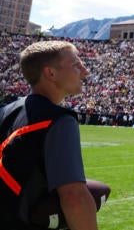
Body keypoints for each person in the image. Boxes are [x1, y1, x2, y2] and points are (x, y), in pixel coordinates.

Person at [0, 40, 98, 230]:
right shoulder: (59, 120)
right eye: (76, 65)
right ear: (51, 73)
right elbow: (73, 197)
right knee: (95, 192)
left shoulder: (5, 111)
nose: (85, 71)